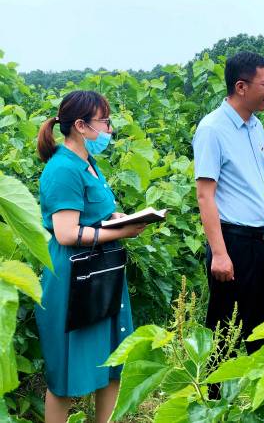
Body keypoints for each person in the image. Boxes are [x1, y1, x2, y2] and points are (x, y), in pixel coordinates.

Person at [36, 90, 147, 423]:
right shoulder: (63, 169)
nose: (110, 129)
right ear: (81, 126)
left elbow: (94, 213)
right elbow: (67, 233)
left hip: (102, 273)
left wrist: (118, 219)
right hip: (74, 279)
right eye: (105, 122)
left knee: (111, 365)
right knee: (65, 376)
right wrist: (122, 232)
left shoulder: (88, 163)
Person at [192, 52, 264, 357]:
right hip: (232, 242)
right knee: (225, 326)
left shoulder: (256, 127)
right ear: (241, 87)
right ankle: (212, 396)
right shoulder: (212, 130)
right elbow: (205, 195)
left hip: (260, 240)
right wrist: (219, 254)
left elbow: (258, 184)